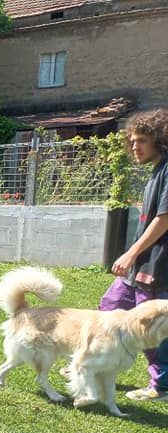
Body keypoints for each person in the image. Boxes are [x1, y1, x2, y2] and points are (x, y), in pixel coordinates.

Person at [102, 109, 168, 401]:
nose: (134, 147)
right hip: (139, 264)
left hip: (157, 263)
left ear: (160, 140)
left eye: (141, 140)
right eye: (131, 141)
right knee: (110, 307)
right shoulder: (156, 171)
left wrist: (131, 252)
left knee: (151, 326)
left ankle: (162, 386)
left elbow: (165, 218)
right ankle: (97, 362)